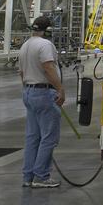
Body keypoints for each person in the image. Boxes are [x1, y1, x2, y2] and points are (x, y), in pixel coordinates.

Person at [19, 15, 65, 189]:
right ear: (48, 30)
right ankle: (41, 176)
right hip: (44, 93)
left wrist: (27, 89)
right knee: (49, 138)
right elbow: (48, 68)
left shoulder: (26, 45)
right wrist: (60, 89)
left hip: (29, 92)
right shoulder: (45, 45)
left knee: (32, 138)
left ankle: (28, 176)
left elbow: (21, 72)